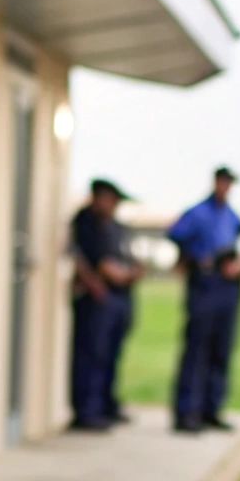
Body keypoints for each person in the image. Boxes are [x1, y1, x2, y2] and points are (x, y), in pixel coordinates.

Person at [168, 166, 240, 433]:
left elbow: (238, 240)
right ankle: (186, 411)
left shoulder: (231, 216)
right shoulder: (198, 213)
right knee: (197, 350)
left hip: (228, 285)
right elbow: (177, 235)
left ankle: (210, 409)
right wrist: (194, 259)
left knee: (220, 350)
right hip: (205, 283)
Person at [68, 179, 140, 431]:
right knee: (91, 356)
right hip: (96, 300)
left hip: (119, 299)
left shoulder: (118, 228)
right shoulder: (87, 222)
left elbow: (131, 263)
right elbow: (101, 265)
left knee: (110, 356)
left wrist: (130, 273)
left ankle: (106, 406)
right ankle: (87, 411)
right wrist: (115, 275)